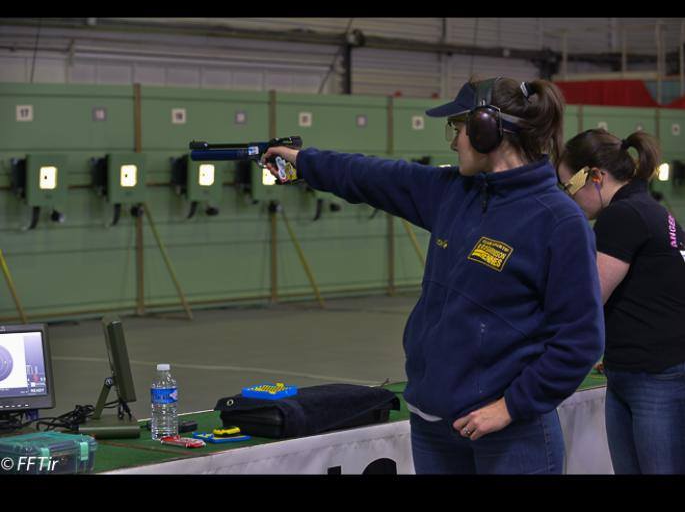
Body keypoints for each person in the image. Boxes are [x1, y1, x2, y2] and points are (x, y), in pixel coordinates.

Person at [263, 77, 604, 474]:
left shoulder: (557, 221)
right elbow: (372, 176)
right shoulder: (454, 192)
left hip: (508, 435)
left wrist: (511, 407)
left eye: (458, 129)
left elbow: (580, 339)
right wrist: (305, 162)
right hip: (434, 426)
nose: (453, 141)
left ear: (487, 130)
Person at [557, 129, 685, 474]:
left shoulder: (622, 215)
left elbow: (588, 300)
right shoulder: (653, 211)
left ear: (595, 176)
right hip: (637, 368)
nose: (569, 200)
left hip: (653, 377)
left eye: (569, 188)